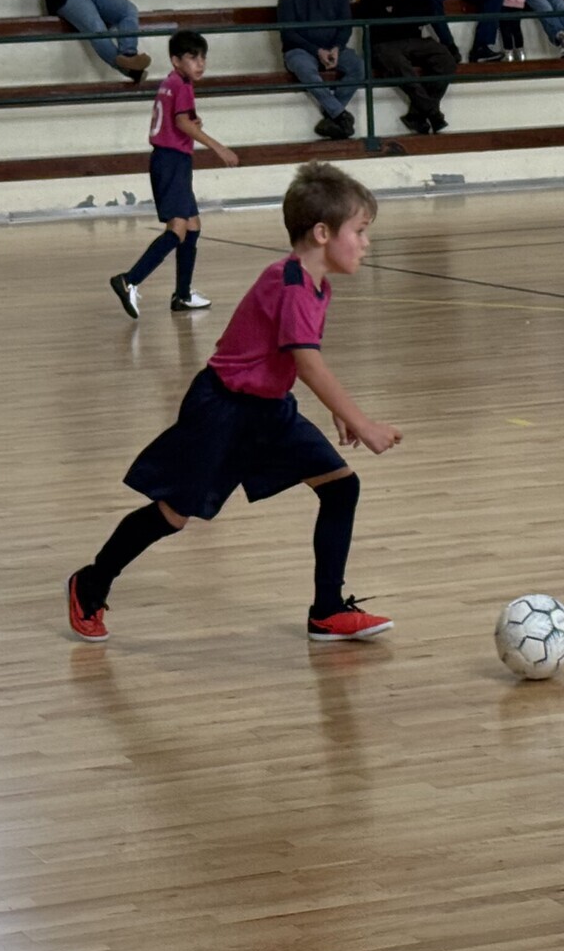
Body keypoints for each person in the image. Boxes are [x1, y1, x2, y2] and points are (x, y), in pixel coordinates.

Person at [65, 162, 401, 645]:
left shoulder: (314, 284)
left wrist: (335, 408)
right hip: (221, 412)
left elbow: (296, 359)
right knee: (173, 515)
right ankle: (90, 583)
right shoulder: (288, 285)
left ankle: (327, 610)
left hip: (268, 410)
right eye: (361, 231)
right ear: (323, 233)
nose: (367, 242)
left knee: (341, 488)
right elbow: (307, 362)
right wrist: (359, 421)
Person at [110, 31, 239, 318]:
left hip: (169, 160)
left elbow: (178, 119)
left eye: (203, 57)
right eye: (193, 58)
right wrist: (218, 147)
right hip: (172, 161)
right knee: (178, 229)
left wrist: (191, 123)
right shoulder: (182, 86)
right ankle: (129, 279)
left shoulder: (170, 83)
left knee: (192, 226)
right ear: (176, 60)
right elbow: (182, 122)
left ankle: (182, 295)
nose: (200, 63)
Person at [360, 0, 457, 133]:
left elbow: (427, 12)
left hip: (414, 39)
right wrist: (406, 14)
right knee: (402, 67)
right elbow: (373, 19)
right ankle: (432, 113)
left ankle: (417, 114)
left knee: (446, 59)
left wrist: (394, 12)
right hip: (384, 43)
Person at [276, 0, 366, 141]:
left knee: (359, 67)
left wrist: (336, 47)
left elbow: (345, 25)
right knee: (305, 69)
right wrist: (317, 51)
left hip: (334, 48)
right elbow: (288, 33)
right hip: (300, 50)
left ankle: (332, 115)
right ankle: (341, 115)